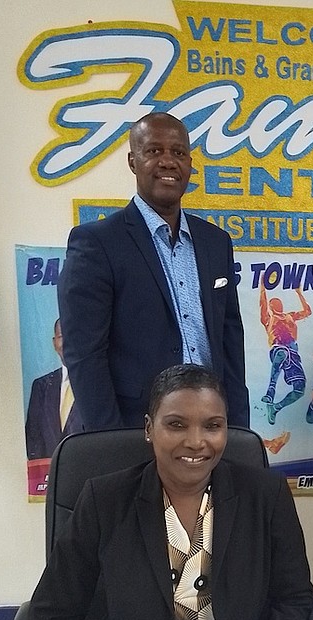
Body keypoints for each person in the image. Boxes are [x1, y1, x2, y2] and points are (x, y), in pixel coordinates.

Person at [23, 364, 313, 620]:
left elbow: (293, 600)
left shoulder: (266, 494)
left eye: (212, 426)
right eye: (177, 425)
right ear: (149, 428)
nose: (196, 441)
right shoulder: (104, 502)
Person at [57, 112, 249, 431]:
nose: (168, 162)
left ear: (189, 163)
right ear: (133, 161)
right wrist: (111, 440)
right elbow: (85, 355)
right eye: (154, 151)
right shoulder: (97, 243)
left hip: (211, 426)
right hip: (137, 429)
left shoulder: (216, 242)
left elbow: (230, 339)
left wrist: (238, 425)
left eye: (178, 152)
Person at [24, 318, 82, 460]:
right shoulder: (41, 387)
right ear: (54, 343)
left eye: (72, 335)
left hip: (86, 475)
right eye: (62, 336)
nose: (67, 342)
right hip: (49, 478)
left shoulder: (96, 385)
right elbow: (33, 439)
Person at [259, 277, 311, 425]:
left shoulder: (290, 316)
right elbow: (262, 304)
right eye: (273, 303)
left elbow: (307, 311)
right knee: (282, 353)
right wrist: (263, 289)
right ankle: (271, 391)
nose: (276, 304)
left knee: (300, 389)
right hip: (278, 348)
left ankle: (276, 407)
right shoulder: (269, 318)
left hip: (293, 352)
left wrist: (299, 292)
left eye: (278, 302)